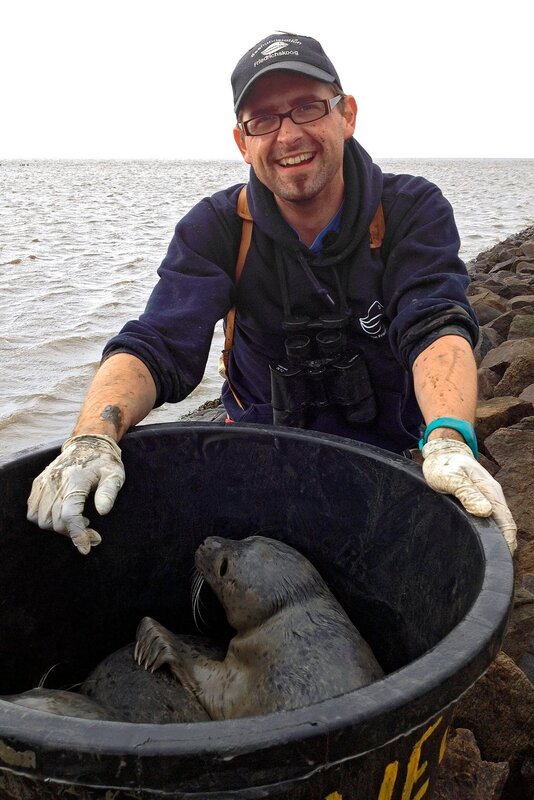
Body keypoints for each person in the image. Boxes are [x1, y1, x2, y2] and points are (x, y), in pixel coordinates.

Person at [27, 32, 516, 555]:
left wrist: (447, 442)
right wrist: (90, 437)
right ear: (242, 142)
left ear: (346, 114)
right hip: (262, 458)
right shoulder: (215, 228)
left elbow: (435, 324)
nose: (288, 136)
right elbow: (158, 344)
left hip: (392, 459)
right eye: (262, 119)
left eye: (307, 108)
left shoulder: (409, 209)